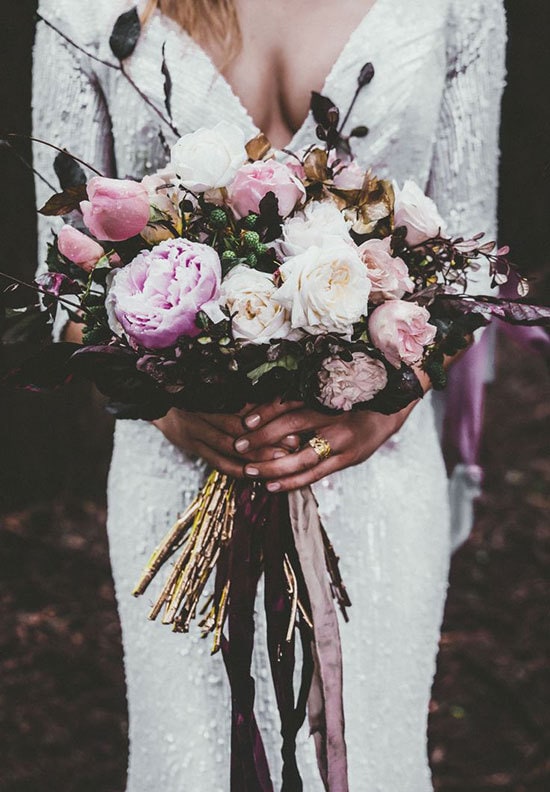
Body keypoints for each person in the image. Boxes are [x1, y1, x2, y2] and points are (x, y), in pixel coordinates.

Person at [32, 0, 507, 789]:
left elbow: (478, 264)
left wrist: (390, 403)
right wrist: (171, 411)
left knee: (372, 759)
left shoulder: (462, 8)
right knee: (186, 759)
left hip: (376, 477)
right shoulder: (83, 10)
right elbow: (58, 280)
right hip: (174, 476)